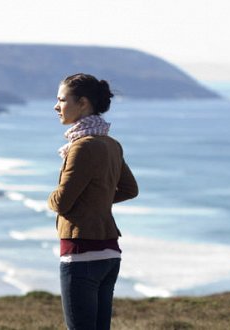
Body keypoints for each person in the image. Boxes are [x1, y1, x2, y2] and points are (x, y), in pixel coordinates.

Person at [47, 73, 139, 330]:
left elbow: (62, 202)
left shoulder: (82, 147)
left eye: (62, 100)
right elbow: (130, 189)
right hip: (109, 253)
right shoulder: (111, 144)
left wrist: (50, 199)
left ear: (83, 103)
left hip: (81, 254)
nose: (56, 106)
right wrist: (97, 202)